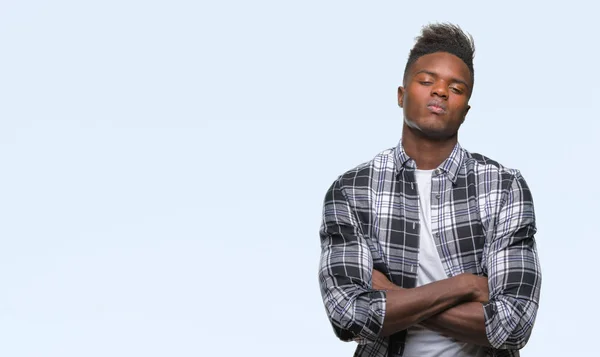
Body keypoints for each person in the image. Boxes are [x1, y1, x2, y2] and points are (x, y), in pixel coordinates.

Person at [317, 23, 541, 357]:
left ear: (465, 111)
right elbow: (348, 316)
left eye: (457, 88)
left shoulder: (502, 187)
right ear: (401, 95)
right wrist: (464, 286)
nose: (440, 91)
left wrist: (393, 295)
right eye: (426, 81)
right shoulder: (353, 191)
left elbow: (513, 325)